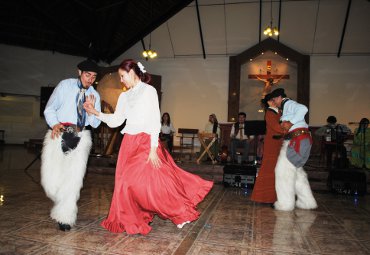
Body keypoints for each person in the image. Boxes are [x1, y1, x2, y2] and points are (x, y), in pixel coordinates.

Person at [83, 59, 213, 235]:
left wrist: (153, 149)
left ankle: (181, 213)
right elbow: (117, 120)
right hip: (128, 143)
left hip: (145, 142)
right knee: (124, 183)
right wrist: (96, 113)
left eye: (122, 76)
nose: (121, 80)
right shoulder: (124, 96)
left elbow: (154, 120)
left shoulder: (149, 91)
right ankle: (129, 218)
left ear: (132, 72)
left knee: (153, 184)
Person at [41, 59, 102, 231]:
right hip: (59, 133)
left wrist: (91, 110)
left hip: (81, 136)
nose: (90, 79)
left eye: (94, 76)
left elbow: (95, 124)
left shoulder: (95, 95)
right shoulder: (64, 86)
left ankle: (65, 217)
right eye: (87, 75)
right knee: (50, 182)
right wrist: (54, 124)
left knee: (73, 180)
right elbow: (50, 108)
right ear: (79, 72)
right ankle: (60, 200)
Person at [270, 88, 317, 211]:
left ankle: (285, 204)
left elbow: (304, 109)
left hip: (297, 141)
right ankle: (307, 201)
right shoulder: (285, 107)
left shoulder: (289, 104)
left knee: (282, 172)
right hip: (301, 140)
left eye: (275, 99)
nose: (274, 102)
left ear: (280, 97)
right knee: (297, 173)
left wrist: (290, 122)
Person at [251, 93, 285, 204]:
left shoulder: (279, 112)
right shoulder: (270, 113)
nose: (276, 101)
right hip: (272, 144)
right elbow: (277, 127)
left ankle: (274, 197)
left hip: (278, 143)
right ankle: (265, 197)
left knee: (276, 170)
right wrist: (288, 128)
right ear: (270, 102)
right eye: (274, 99)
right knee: (269, 170)